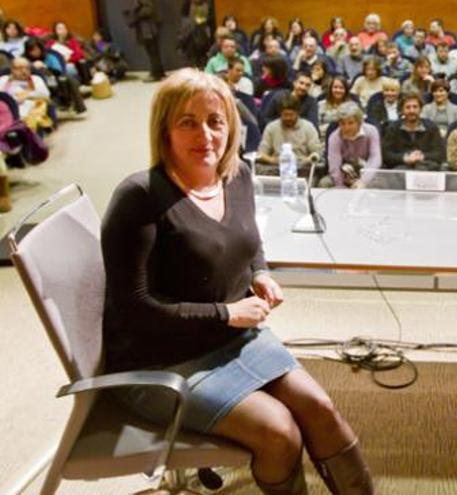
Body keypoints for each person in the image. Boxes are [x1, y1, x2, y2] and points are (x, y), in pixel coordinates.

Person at [101, 69, 374, 495]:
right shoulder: (139, 197)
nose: (206, 135)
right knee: (279, 433)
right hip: (159, 362)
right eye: (187, 122)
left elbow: (248, 239)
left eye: (215, 121)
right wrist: (227, 313)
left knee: (320, 408)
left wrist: (260, 272)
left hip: (232, 337)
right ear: (164, 130)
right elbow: (135, 309)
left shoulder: (237, 175)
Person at [257, 95, 322, 177]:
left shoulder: (308, 127)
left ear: (298, 113)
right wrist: (272, 160)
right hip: (276, 168)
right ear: (280, 113)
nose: (288, 118)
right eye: (285, 115)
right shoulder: (271, 127)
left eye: (291, 115)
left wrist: (307, 160)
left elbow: (316, 152)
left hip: (301, 168)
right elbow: (261, 153)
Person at [322, 102, 382, 188]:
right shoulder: (334, 137)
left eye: (350, 123)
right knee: (324, 183)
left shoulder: (371, 131)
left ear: (359, 122)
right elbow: (334, 167)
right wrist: (341, 187)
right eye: (342, 123)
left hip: (367, 173)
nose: (346, 128)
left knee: (379, 184)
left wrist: (363, 181)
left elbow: (375, 159)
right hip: (344, 175)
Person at [381, 93, 445, 171]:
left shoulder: (432, 127)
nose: (412, 111)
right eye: (408, 107)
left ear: (420, 109)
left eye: (415, 107)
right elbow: (386, 154)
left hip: (426, 167)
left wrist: (422, 156)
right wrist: (405, 158)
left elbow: (439, 153)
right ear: (402, 110)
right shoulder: (393, 128)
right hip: (400, 168)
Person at [0, 57, 52, 132]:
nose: (24, 71)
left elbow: (46, 96)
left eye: (27, 68)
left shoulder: (36, 79)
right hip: (6, 111)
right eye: (19, 68)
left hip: (30, 110)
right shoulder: (3, 80)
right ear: (12, 69)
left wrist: (27, 96)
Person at [126, 0, 165, 82]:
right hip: (146, 30)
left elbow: (149, 10)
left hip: (148, 30)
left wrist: (136, 15)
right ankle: (159, 72)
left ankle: (155, 74)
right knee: (153, 53)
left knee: (152, 53)